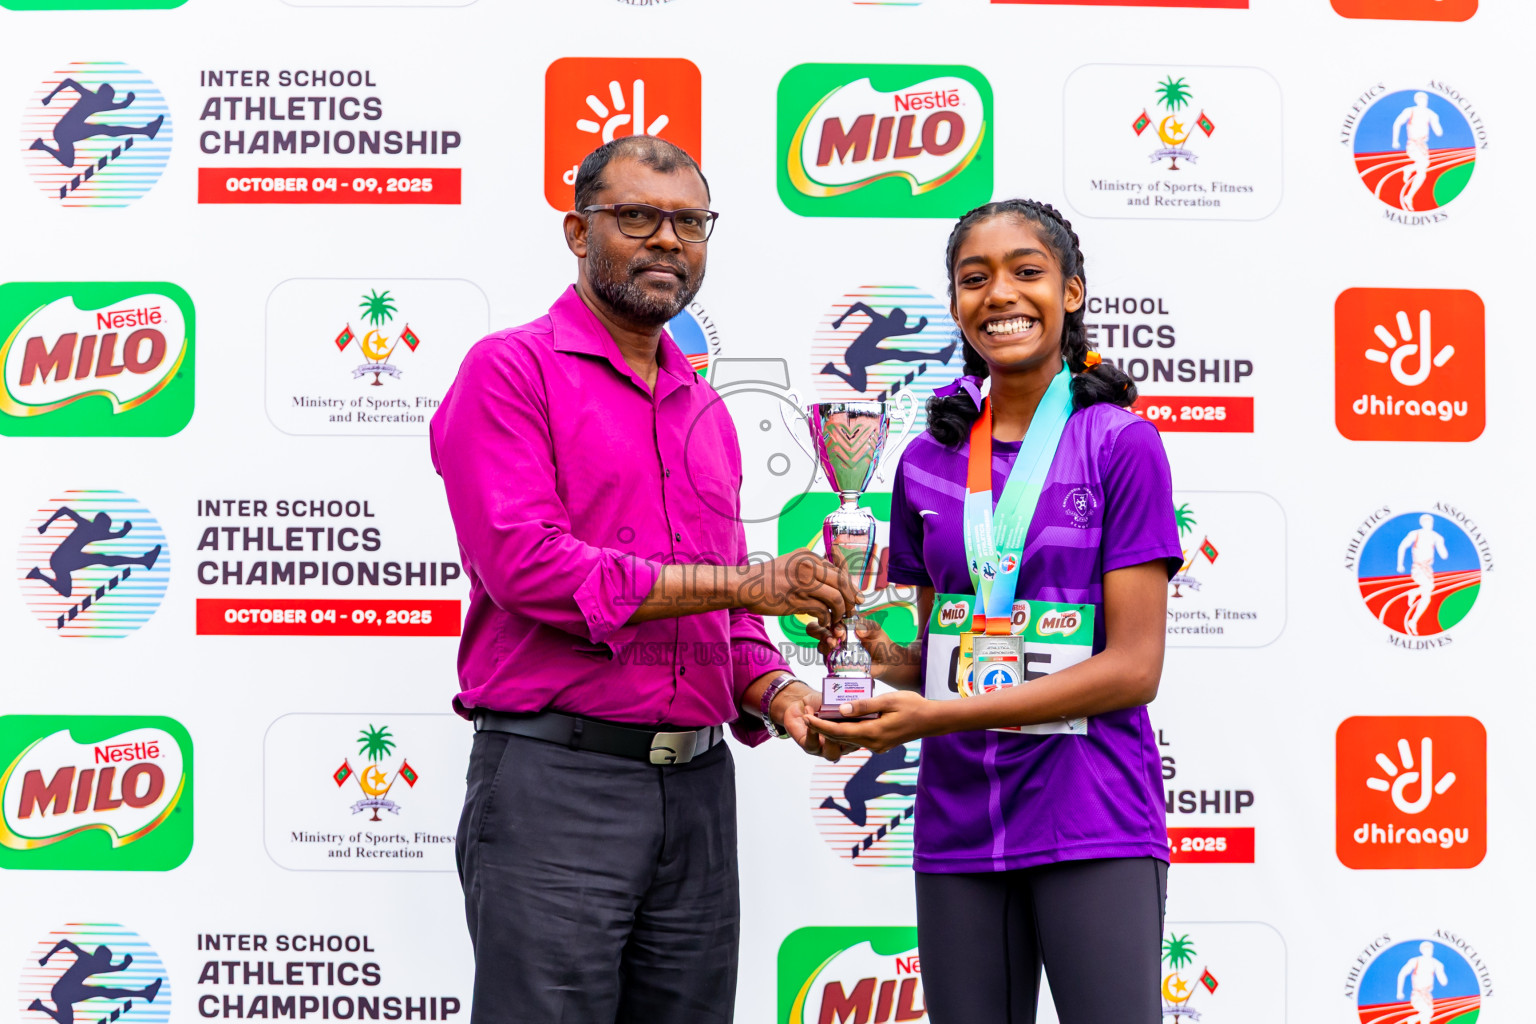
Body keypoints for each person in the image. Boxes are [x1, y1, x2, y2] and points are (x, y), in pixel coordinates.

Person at [429, 134, 854, 1024]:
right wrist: (745, 587)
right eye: (637, 217)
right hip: (556, 784)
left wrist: (779, 692)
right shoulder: (510, 372)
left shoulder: (707, 408)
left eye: (690, 222)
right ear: (577, 232)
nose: (668, 240)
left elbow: (730, 610)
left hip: (697, 798)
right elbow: (528, 569)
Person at [807, 199, 1182, 1023]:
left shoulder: (1120, 443)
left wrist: (933, 718)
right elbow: (942, 653)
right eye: (974, 279)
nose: (999, 294)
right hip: (958, 817)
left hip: (1090, 814)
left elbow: (1133, 668)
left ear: (1072, 293)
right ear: (954, 306)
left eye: (1026, 271)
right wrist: (863, 654)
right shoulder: (926, 460)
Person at [30, 79, 163, 168]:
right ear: (102, 95)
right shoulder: (91, 97)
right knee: (104, 129)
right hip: (64, 130)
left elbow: (121, 105)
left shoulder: (98, 101)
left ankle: (41, 145)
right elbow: (69, 81)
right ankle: (146, 131)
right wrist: (49, 96)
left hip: (63, 133)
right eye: (108, 99)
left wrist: (128, 101)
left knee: (69, 162)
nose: (108, 102)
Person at [28, 940, 161, 1024]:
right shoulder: (88, 959)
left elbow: (115, 968)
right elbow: (65, 942)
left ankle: (39, 1006)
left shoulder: (91, 961)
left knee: (68, 1021)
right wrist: (46, 957)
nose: (105, 965)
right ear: (100, 958)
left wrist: (124, 965)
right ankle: (145, 994)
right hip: (63, 992)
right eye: (106, 962)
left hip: (60, 994)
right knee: (102, 990)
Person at [1396, 513, 1447, 636]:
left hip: (1428, 570)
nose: (1428, 524)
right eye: (1426, 521)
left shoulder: (1436, 537)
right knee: (1429, 588)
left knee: (1427, 597)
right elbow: (1402, 547)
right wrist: (1400, 564)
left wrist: (1441, 544)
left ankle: (1413, 621)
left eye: (1430, 522)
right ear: (1422, 523)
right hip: (1418, 567)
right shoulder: (1415, 534)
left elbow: (1444, 555)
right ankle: (1413, 593)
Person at [1396, 941, 1447, 1024]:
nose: (1428, 951)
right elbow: (1402, 974)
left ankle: (1413, 1020)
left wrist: (1440, 970)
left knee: (1426, 1019)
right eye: (1426, 949)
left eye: (1430, 949)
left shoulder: (1436, 963)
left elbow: (1443, 982)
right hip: (1417, 994)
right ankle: (1412, 1020)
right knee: (1428, 1012)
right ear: (1422, 950)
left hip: (1427, 995)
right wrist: (1399, 992)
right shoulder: (1415, 961)